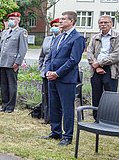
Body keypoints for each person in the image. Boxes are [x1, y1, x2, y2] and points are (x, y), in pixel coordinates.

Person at [41, 11, 86, 146]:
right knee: (54, 106)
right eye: (60, 19)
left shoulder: (77, 38)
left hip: (66, 79)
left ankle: (67, 136)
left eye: (63, 19)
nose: (60, 21)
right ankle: (55, 132)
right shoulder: (59, 37)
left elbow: (73, 60)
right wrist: (48, 71)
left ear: (71, 21)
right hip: (52, 77)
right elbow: (50, 56)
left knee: (67, 108)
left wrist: (58, 73)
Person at [86, 15, 119, 120]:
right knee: (96, 95)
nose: (103, 25)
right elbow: (89, 52)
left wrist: (100, 63)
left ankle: (109, 119)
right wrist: (95, 65)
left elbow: (116, 55)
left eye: (106, 22)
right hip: (95, 70)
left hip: (110, 70)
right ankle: (97, 119)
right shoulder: (95, 37)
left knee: (110, 96)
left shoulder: (117, 37)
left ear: (111, 24)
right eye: (101, 23)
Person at [0, 12, 28, 113]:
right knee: (3, 85)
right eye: (9, 19)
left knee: (11, 85)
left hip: (12, 63)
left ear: (18, 20)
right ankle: (4, 105)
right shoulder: (5, 32)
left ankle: (10, 106)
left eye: (13, 19)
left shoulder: (21, 32)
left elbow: (23, 49)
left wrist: (18, 62)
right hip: (3, 62)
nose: (11, 21)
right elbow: (1, 48)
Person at [38, 18, 62, 124]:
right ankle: (46, 117)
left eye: (57, 26)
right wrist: (41, 69)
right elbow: (42, 56)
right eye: (53, 26)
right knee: (46, 95)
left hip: (57, 72)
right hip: (46, 71)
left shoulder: (63, 39)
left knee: (55, 96)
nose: (55, 28)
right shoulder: (47, 39)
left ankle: (55, 117)